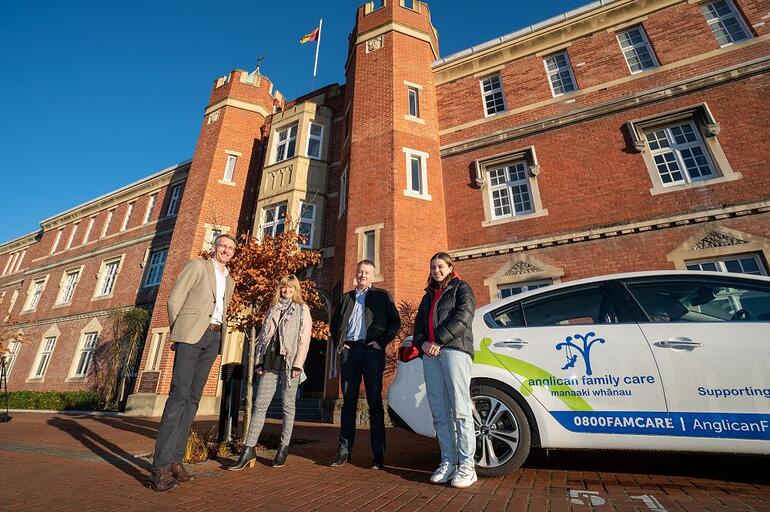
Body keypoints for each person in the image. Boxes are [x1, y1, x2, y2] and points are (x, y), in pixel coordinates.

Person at [148, 234, 236, 491]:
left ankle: (176, 461)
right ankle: (160, 467)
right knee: (178, 396)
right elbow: (174, 298)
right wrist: (179, 332)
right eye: (223, 246)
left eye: (231, 248)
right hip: (191, 335)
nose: (226, 251)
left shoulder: (230, 280)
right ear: (214, 248)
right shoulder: (198, 266)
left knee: (193, 399)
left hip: (214, 337)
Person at [229, 275, 312, 470]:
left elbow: (304, 339)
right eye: (283, 287)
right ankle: (248, 449)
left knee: (287, 406)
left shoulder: (302, 309)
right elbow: (262, 338)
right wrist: (258, 362)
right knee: (260, 406)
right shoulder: (272, 308)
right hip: (269, 362)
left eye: (290, 287)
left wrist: (298, 365)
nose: (286, 290)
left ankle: (283, 447)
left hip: (290, 363)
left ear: (296, 289)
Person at [412, 252, 477, 488]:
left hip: (454, 351)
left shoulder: (462, 288)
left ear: (450, 267)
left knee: (460, 410)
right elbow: (418, 324)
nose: (436, 270)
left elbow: (463, 317)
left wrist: (438, 340)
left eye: (440, 266)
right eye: (432, 267)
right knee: (440, 412)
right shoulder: (428, 295)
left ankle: (467, 466)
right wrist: (423, 343)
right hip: (431, 355)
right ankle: (448, 461)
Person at [330, 259, 400, 469]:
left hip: (371, 352)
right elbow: (334, 326)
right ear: (356, 273)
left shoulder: (381, 296)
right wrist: (340, 345)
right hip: (350, 353)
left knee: (374, 402)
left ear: (373, 275)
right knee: (348, 402)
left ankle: (378, 456)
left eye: (367, 272)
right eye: (360, 272)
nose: (363, 275)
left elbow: (394, 322)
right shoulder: (345, 298)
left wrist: (380, 342)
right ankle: (344, 452)